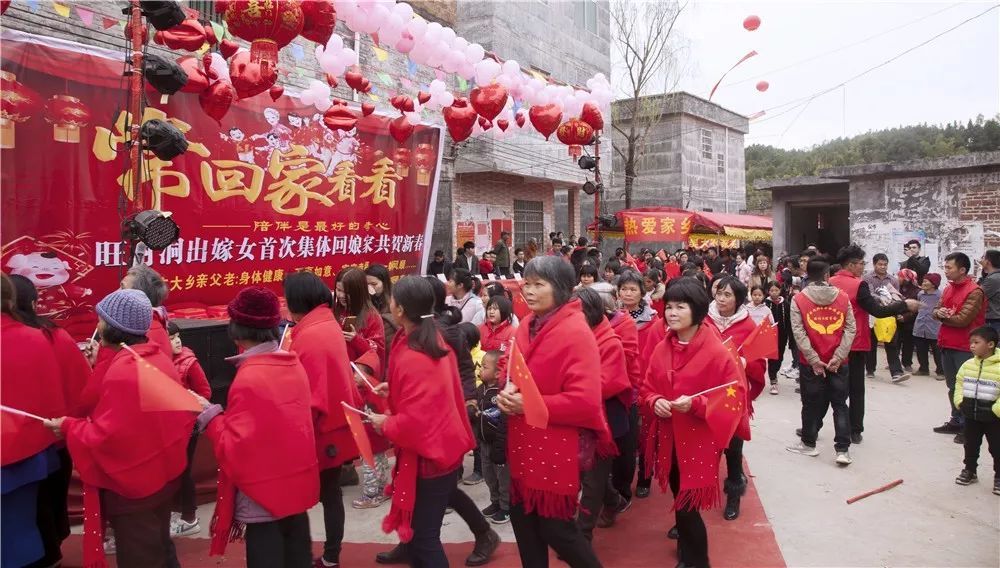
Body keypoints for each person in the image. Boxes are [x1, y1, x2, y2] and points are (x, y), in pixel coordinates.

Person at [45, 289, 194, 568]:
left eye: (100, 321)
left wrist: (68, 426)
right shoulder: (157, 358)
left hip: (135, 486)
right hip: (162, 473)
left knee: (141, 556)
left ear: (114, 328)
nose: (97, 327)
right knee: (159, 546)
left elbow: (107, 435)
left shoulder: (125, 369)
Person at [191, 287, 319, 567]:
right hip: (294, 487)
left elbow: (236, 448)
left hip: (264, 496)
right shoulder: (291, 363)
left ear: (236, 329)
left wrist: (210, 416)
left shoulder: (251, 376)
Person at [496, 256, 605, 568]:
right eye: (526, 284)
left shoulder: (575, 332)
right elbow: (515, 373)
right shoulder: (527, 326)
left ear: (560, 289)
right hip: (522, 445)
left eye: (538, 285)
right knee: (524, 525)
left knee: (558, 530)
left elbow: (585, 402)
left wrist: (530, 404)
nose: (528, 291)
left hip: (555, 448)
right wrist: (508, 391)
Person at [368, 276, 478, 567]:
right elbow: (428, 395)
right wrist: (393, 389)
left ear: (400, 309)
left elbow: (416, 421)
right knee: (419, 535)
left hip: (430, 455)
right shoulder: (426, 340)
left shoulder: (416, 351)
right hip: (439, 448)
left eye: (393, 299)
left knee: (424, 538)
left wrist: (385, 423)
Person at [639, 277, 744, 568]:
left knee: (687, 506)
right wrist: (654, 401)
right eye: (668, 307)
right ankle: (688, 554)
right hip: (669, 438)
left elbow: (734, 398)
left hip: (699, 441)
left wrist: (696, 404)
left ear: (697, 310)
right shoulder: (663, 347)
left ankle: (697, 561)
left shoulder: (716, 352)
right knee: (679, 498)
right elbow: (647, 387)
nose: (671, 313)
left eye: (680, 307)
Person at [283, 270, 362, 568]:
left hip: (320, 429)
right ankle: (331, 555)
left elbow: (311, 397)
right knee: (330, 494)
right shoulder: (325, 323)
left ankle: (320, 556)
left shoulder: (311, 335)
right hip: (334, 424)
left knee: (307, 495)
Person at [2, 274, 80, 568]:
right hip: (39, 447)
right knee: (29, 525)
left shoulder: (38, 337)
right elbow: (69, 392)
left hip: (30, 448)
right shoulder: (42, 337)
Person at [831, 244, 919, 444]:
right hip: (854, 341)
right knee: (855, 389)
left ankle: (814, 427)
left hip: (833, 341)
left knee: (832, 387)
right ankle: (854, 429)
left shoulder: (830, 282)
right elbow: (876, 310)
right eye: (861, 263)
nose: (864, 267)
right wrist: (905, 305)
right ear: (852, 265)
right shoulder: (858, 285)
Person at [703, 277, 766, 521]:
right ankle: (696, 501)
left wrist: (743, 363)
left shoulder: (748, 326)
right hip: (706, 395)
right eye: (719, 293)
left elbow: (759, 362)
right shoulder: (704, 322)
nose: (721, 299)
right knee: (706, 450)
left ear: (738, 299)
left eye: (727, 295)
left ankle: (733, 494)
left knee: (732, 448)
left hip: (733, 398)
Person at [786, 258, 858, 465]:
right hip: (838, 362)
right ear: (827, 275)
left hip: (811, 364)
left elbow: (798, 332)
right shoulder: (843, 298)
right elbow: (850, 329)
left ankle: (809, 443)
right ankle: (842, 450)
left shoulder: (799, 299)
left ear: (807, 274)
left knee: (810, 404)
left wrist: (814, 360)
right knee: (840, 405)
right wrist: (838, 357)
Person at [574, 287, 630, 539]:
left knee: (592, 478)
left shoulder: (610, 342)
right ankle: (614, 500)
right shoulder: (577, 336)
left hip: (604, 418)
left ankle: (582, 534)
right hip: (580, 414)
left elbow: (609, 383)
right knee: (587, 472)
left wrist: (571, 386)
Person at [335, 267, 391, 509]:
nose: (341, 295)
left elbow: (377, 350)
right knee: (357, 441)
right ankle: (374, 483)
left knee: (370, 441)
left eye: (346, 291)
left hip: (365, 386)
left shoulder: (370, 315)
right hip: (344, 383)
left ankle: (375, 490)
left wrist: (354, 340)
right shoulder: (336, 312)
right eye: (338, 290)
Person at [932, 252, 987, 444]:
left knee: (967, 388)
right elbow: (935, 310)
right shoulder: (948, 289)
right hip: (947, 343)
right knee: (952, 386)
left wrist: (942, 316)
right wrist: (939, 312)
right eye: (945, 267)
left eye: (949, 267)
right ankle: (956, 420)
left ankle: (968, 427)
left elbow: (963, 320)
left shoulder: (974, 291)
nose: (946, 270)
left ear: (962, 270)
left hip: (965, 346)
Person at [165, 321, 212, 538]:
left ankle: (189, 518)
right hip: (169, 426)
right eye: (171, 338)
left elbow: (205, 392)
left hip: (188, 425)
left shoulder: (189, 362)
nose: (176, 341)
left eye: (177, 337)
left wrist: (184, 400)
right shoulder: (161, 362)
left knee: (183, 471)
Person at [618, 269, 661, 499]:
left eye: (633, 289)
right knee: (622, 434)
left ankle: (645, 476)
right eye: (624, 289)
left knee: (645, 435)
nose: (627, 293)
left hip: (645, 384)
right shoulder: (612, 317)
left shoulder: (654, 322)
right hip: (618, 383)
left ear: (642, 292)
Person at [952, 325, 1000, 494]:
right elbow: (958, 383)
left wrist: (996, 410)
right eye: (971, 342)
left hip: (994, 418)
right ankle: (970, 470)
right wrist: (959, 401)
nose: (971, 346)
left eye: (976, 342)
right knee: (970, 445)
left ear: (991, 345)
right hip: (971, 415)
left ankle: (999, 477)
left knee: (996, 447)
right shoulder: (967, 365)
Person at [474, 351, 510, 524]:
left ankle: (506, 507)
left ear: (497, 373)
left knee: (503, 477)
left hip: (498, 443)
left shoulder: (501, 392)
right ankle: (494, 501)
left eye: (485, 366)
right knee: (488, 475)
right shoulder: (480, 389)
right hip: (483, 442)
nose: (480, 369)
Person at [864, 253, 907, 381]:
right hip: (873, 314)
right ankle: (870, 369)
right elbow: (869, 294)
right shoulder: (867, 278)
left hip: (888, 315)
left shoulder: (892, 280)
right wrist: (882, 297)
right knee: (871, 344)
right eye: (880, 264)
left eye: (885, 264)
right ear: (874, 264)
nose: (883, 267)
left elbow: (896, 295)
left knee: (892, 343)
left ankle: (896, 372)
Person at [913, 273, 944, 377]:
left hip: (934, 327)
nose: (924, 283)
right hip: (920, 325)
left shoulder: (940, 295)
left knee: (937, 351)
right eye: (924, 280)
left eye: (926, 281)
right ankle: (923, 369)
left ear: (934, 284)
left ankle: (940, 371)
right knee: (921, 349)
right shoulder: (920, 294)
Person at [766, 281, 790, 395]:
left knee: (779, 357)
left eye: (776, 290)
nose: (774, 293)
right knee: (772, 358)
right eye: (771, 290)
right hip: (769, 336)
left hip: (782, 335)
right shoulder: (765, 303)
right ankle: (773, 379)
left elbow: (789, 321)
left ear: (780, 291)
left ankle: (775, 371)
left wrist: (791, 338)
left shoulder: (786, 304)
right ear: (768, 291)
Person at [979, 249, 1000, 333]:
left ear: (988, 262)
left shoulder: (993, 279)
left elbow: (977, 294)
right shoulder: (994, 277)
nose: (981, 259)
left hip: (993, 321)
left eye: (983, 257)